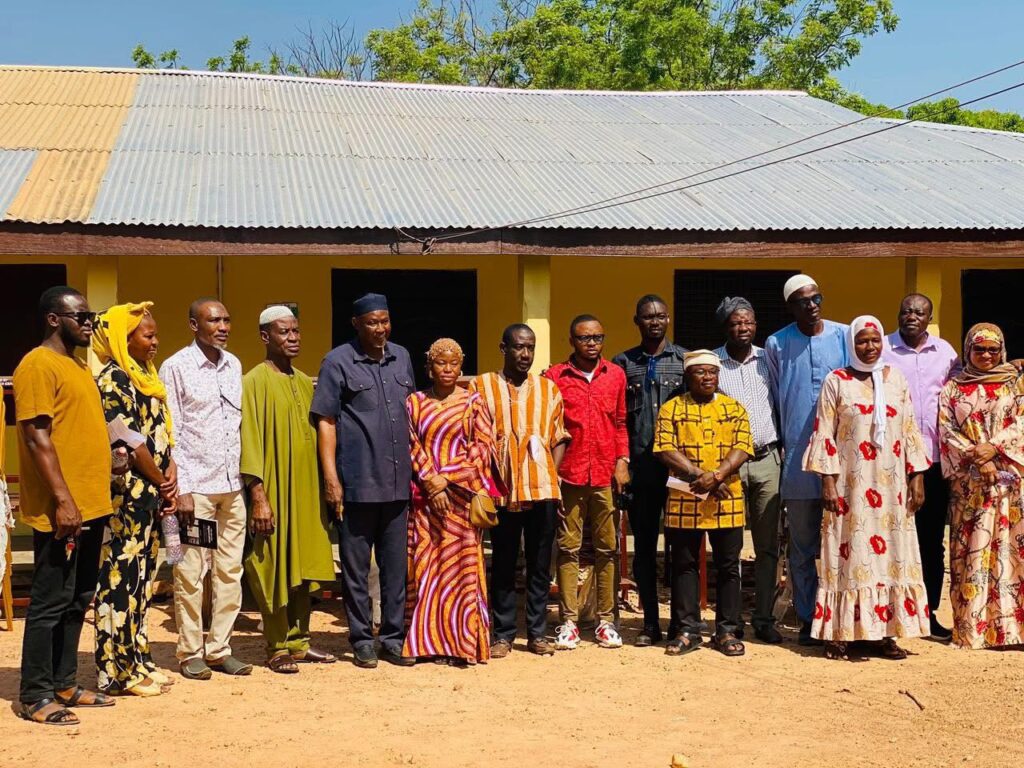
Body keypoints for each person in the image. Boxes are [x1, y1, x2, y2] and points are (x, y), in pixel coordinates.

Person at [803, 316, 931, 660]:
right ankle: (840, 634)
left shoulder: (896, 380)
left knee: (893, 554)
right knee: (847, 553)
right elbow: (824, 433)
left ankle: (886, 633)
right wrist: (827, 481)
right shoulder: (837, 381)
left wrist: (917, 476)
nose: (869, 347)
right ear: (851, 344)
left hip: (892, 488)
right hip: (850, 485)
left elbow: (909, 429)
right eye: (861, 341)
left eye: (874, 340)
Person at [15, 286, 114, 725]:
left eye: (91, 315)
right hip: (64, 510)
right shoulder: (37, 364)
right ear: (55, 319)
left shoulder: (75, 365)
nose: (89, 322)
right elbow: (38, 437)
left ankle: (65, 682)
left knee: (79, 598)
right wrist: (63, 501)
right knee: (49, 601)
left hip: (92, 505)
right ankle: (34, 694)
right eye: (82, 315)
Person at [311, 293, 417, 669]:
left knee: (395, 568)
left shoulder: (401, 357)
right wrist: (331, 479)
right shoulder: (337, 362)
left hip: (398, 484)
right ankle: (360, 639)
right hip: (357, 483)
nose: (380, 329)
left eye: (385, 321)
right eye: (372, 322)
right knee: (355, 569)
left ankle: (391, 638)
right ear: (356, 324)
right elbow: (325, 420)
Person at [241, 306, 336, 673]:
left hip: (305, 490)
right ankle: (276, 644)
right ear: (266, 336)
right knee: (273, 564)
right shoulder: (253, 382)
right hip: (274, 489)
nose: (293, 338)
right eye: (284, 332)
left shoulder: (301, 381)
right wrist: (258, 496)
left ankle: (300, 641)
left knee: (302, 565)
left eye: (296, 331)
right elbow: (249, 439)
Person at [159, 298, 250, 679]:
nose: (223, 326)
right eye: (214, 320)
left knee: (230, 572)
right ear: (194, 325)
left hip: (232, 486)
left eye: (227, 319)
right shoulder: (176, 367)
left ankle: (220, 648)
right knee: (189, 572)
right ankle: (189, 651)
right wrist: (178, 488)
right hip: (194, 488)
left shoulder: (234, 365)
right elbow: (170, 430)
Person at [92, 302, 178, 696]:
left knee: (143, 581)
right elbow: (128, 438)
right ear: (123, 341)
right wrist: (161, 480)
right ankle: (115, 670)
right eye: (148, 336)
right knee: (119, 583)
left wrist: (171, 466)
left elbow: (160, 432)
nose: (155, 342)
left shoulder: (145, 376)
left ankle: (138, 659)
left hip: (151, 496)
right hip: (127, 498)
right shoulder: (113, 380)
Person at [471, 324, 570, 657]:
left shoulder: (548, 389)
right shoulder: (482, 386)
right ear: (503, 348)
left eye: (530, 347)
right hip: (501, 490)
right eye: (518, 347)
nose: (525, 354)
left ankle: (538, 632)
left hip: (540, 489)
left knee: (540, 564)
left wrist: (549, 474)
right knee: (503, 562)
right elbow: (471, 435)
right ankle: (503, 634)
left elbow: (559, 436)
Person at [404, 338, 500, 665]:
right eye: (441, 363)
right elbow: (410, 444)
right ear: (429, 367)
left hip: (462, 502)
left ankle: (462, 644)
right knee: (425, 567)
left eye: (454, 363)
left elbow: (483, 449)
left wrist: (446, 479)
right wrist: (432, 483)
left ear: (461, 366)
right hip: (426, 502)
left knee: (462, 571)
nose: (447, 369)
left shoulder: (474, 403)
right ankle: (426, 642)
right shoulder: (414, 403)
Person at [765, 274, 848, 645]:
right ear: (790, 306)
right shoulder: (777, 344)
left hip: (844, 461)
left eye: (816, 298)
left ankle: (845, 618)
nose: (812, 305)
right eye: (803, 301)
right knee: (801, 545)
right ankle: (807, 618)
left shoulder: (845, 335)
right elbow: (774, 397)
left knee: (846, 542)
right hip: (799, 459)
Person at [653, 350, 753, 657]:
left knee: (728, 567)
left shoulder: (734, 408)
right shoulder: (672, 409)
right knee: (684, 565)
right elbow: (663, 448)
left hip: (727, 497)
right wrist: (700, 476)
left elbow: (743, 446)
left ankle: (726, 630)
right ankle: (687, 630)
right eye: (700, 372)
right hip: (685, 496)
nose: (707, 377)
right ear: (687, 376)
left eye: (712, 371)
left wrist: (718, 475)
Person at [544, 315, 630, 650]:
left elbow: (621, 422)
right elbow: (550, 426)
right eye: (584, 338)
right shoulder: (555, 377)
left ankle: (605, 620)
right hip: (570, 474)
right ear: (572, 341)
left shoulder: (616, 376)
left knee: (608, 548)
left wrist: (622, 461)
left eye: (597, 337)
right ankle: (569, 621)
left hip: (606, 474)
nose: (591, 343)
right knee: (568, 548)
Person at [938, 323, 1024, 649]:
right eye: (979, 349)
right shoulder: (952, 389)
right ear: (967, 351)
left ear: (1001, 350)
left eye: (992, 349)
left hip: (1011, 485)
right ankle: (973, 629)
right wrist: (980, 458)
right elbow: (946, 431)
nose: (985, 355)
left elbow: (1023, 422)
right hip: (971, 485)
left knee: (1011, 552)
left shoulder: (1015, 385)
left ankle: (1012, 631)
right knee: (970, 551)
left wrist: (996, 446)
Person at [882, 294, 959, 640]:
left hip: (934, 458)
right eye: (906, 311)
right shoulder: (881, 348)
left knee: (931, 540)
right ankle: (889, 611)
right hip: (890, 460)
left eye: (919, 312)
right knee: (889, 536)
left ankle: (928, 613)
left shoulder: (946, 353)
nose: (911, 316)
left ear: (929, 318)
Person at [612, 295, 687, 646]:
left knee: (681, 546)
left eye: (660, 316)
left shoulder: (683, 361)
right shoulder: (623, 363)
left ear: (669, 319)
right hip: (641, 470)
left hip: (677, 471)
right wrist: (622, 462)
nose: (655, 321)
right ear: (636, 321)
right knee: (643, 548)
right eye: (647, 317)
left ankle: (681, 625)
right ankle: (650, 624)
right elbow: (618, 420)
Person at [714, 296, 784, 644]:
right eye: (736, 323)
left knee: (767, 544)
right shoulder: (713, 365)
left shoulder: (767, 360)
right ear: (726, 327)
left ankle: (764, 618)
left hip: (768, 459)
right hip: (729, 465)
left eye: (749, 322)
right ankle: (731, 620)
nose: (744, 328)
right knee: (730, 545)